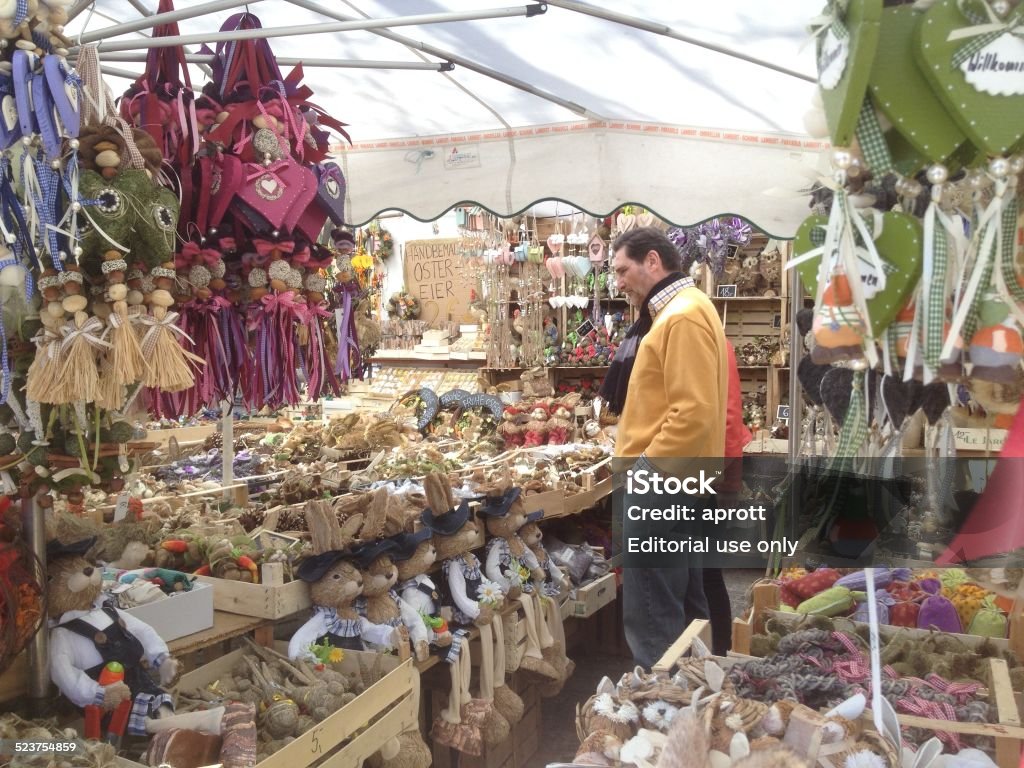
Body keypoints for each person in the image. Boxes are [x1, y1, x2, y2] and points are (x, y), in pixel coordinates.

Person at [599, 226, 729, 670]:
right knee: (684, 601)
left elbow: (693, 413)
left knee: (653, 608)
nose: (618, 282)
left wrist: (646, 474)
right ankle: (691, 695)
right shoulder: (684, 309)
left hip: (664, 483)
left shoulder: (681, 315)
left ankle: (660, 710)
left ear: (652, 261)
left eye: (622, 270)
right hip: (678, 480)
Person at [702, 339, 753, 656]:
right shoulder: (717, 343)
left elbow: (729, 415)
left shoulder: (713, 344)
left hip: (702, 474)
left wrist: (729, 483)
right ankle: (716, 646)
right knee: (704, 572)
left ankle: (720, 648)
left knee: (706, 572)